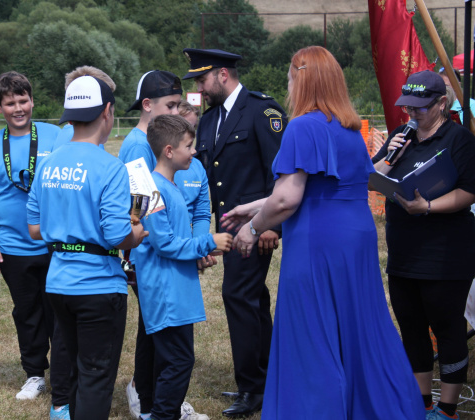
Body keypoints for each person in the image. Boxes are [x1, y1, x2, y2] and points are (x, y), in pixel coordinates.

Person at [220, 45, 423, 419]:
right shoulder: (346, 127)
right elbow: (322, 186)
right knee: (360, 326)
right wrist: (254, 205)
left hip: (319, 241)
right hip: (355, 236)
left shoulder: (302, 126)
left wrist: (252, 227)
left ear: (303, 79)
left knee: (312, 332)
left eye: (289, 78)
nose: (287, 85)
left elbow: (287, 199)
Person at [27, 73, 148, 420]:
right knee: (96, 377)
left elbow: (35, 229)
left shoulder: (48, 162)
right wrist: (137, 235)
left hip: (59, 283)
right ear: (107, 112)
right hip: (98, 286)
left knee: (78, 371)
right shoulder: (110, 167)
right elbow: (116, 236)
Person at [181, 48, 285, 418]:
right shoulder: (210, 121)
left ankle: (252, 388)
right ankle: (268, 376)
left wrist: (271, 225)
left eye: (202, 79)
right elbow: (208, 177)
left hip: (256, 225)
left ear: (223, 74)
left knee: (238, 296)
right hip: (227, 225)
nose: (200, 87)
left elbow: (279, 171)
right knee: (252, 298)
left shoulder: (261, 110)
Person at [372, 69, 475, 420]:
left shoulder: (459, 138)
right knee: (411, 326)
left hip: (446, 253)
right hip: (404, 252)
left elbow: (469, 191)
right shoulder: (402, 135)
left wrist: (428, 206)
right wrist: (388, 159)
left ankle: (447, 409)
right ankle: (421, 402)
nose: (412, 114)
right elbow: (371, 177)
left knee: (447, 328)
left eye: (420, 108)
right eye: (408, 107)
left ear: (441, 103)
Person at [0, 71, 71, 416]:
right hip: (12, 247)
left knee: (59, 311)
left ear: (32, 100)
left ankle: (65, 373)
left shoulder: (55, 135)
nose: (19, 108)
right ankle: (34, 374)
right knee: (27, 312)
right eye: (10, 103)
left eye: (24, 100)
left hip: (53, 245)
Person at [118, 70, 210, 420]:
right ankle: (152, 402)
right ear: (148, 105)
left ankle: (154, 402)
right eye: (171, 104)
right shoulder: (137, 150)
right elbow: (140, 219)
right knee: (162, 339)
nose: (177, 109)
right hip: (158, 271)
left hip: (169, 268)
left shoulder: (161, 153)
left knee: (156, 334)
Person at [135, 114, 232, 420]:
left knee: (169, 360)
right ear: (168, 150)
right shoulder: (149, 187)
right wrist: (208, 242)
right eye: (188, 146)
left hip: (175, 291)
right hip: (166, 293)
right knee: (178, 361)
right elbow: (164, 244)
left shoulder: (164, 184)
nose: (194, 152)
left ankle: (155, 411)